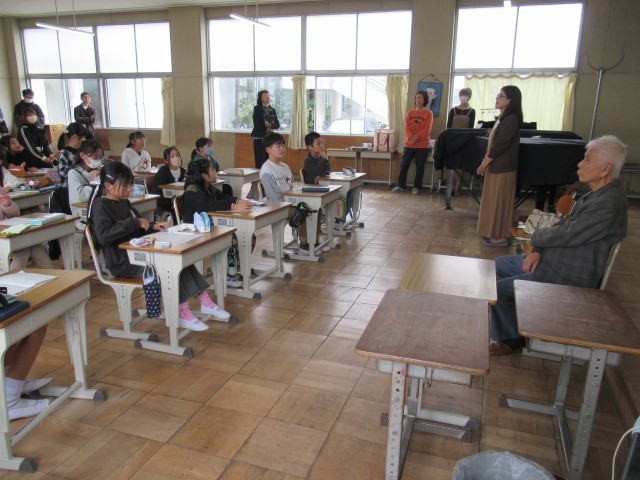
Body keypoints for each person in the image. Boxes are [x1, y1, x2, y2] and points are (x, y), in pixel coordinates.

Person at [490, 135, 628, 356]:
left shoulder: (609, 203)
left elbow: (568, 234)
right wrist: (538, 250)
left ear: (606, 169)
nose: (580, 164)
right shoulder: (596, 195)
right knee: (499, 265)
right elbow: (563, 225)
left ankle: (512, 339)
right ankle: (517, 323)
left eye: (587, 159)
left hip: (568, 274)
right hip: (555, 260)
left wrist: (536, 237)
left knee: (498, 290)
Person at [88, 161, 229, 331]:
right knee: (169, 267)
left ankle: (205, 300)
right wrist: (135, 222)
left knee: (180, 260)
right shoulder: (100, 206)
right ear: (107, 186)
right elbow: (104, 236)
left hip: (141, 254)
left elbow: (139, 225)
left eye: (130, 185)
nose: (129, 189)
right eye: (124, 186)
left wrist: (153, 225)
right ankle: (182, 311)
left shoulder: (123, 202)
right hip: (123, 262)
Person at [182, 157, 253, 288]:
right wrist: (233, 207)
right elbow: (208, 205)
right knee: (235, 239)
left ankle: (234, 268)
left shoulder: (207, 186)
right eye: (213, 170)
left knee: (248, 235)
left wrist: (238, 201)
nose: (216, 173)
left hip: (210, 226)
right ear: (204, 176)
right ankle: (227, 274)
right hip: (197, 231)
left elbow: (222, 196)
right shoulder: (192, 190)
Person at [476, 86, 522, 247]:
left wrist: (483, 164)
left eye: (501, 96)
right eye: (498, 95)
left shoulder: (511, 120)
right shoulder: (502, 118)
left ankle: (500, 237)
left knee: (499, 203)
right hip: (496, 167)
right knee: (493, 201)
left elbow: (499, 146)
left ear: (510, 100)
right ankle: (493, 233)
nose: (497, 98)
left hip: (503, 169)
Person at [260, 132, 317, 255]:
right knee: (305, 210)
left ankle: (314, 241)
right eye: (278, 146)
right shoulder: (267, 170)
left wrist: (298, 197)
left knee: (316, 207)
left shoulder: (285, 166)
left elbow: (291, 188)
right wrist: (294, 203)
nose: (282, 149)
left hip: (289, 203)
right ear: (268, 149)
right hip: (276, 207)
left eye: (283, 146)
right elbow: (275, 198)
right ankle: (305, 244)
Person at [391, 91, 434, 194]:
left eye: (420, 98)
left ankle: (416, 187)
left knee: (420, 166)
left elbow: (427, 129)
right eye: (416, 98)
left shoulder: (428, 113)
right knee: (404, 164)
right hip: (409, 144)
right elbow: (407, 127)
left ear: (425, 100)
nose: (418, 100)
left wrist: (417, 137)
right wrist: (411, 137)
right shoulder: (410, 112)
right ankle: (401, 185)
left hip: (422, 145)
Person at [446, 88, 476, 194]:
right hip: (453, 140)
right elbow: (449, 126)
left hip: (464, 141)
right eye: (461, 94)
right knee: (452, 162)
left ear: (469, 97)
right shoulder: (453, 110)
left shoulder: (472, 111)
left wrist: (465, 139)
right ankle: (450, 186)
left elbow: (471, 128)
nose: (463, 97)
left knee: (460, 164)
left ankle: (457, 186)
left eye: (465, 95)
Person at [68, 139, 103, 217]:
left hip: (99, 209)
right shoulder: (74, 173)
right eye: (95, 157)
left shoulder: (98, 170)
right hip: (82, 215)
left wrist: (101, 173)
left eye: (100, 158)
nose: (98, 161)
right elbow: (79, 197)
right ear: (83, 156)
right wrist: (95, 183)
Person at [149, 146, 187, 218]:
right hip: (164, 200)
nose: (176, 158)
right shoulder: (163, 171)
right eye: (172, 156)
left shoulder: (183, 171)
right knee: (179, 205)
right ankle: (178, 222)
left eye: (178, 155)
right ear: (166, 160)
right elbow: (156, 191)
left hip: (178, 198)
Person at [251, 90, 280, 169]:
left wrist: (269, 126)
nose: (268, 97)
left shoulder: (272, 110)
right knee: (260, 160)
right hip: (259, 137)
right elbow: (256, 123)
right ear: (260, 98)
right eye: (265, 95)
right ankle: (260, 175)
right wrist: (266, 128)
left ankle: (269, 174)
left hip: (269, 139)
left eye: (268, 95)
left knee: (269, 159)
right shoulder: (257, 108)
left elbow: (277, 125)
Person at [57, 122, 89, 188]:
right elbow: (62, 173)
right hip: (69, 188)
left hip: (81, 185)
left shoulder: (81, 151)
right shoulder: (64, 153)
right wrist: (79, 174)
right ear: (75, 136)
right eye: (83, 137)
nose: (84, 139)